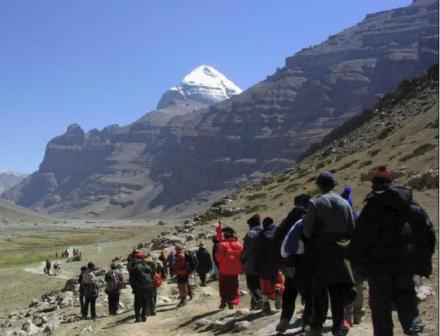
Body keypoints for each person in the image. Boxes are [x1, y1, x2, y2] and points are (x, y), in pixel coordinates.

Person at [349, 166, 431, 336]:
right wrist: (421, 260)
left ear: (374, 185)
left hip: (378, 268)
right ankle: (412, 325)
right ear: (391, 182)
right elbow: (427, 232)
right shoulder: (410, 204)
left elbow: (360, 239)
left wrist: (358, 264)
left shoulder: (372, 207)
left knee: (380, 306)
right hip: (405, 264)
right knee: (406, 297)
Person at [303, 171, 356, 336]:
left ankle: (316, 326)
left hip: (321, 252)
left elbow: (307, 231)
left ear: (319, 185)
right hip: (341, 252)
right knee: (338, 290)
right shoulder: (345, 203)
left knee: (319, 291)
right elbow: (352, 229)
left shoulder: (315, 203)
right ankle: (339, 327)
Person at [273, 194, 312, 332]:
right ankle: (307, 322)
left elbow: (277, 237)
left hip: (289, 264)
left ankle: (284, 320)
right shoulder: (308, 217)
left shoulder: (288, 219)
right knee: (309, 294)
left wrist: (281, 262)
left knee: (290, 291)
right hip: (306, 263)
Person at [340, 186, 366, 326]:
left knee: (346, 286)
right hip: (358, 258)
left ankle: (347, 316)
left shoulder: (338, 221)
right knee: (359, 286)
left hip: (344, 259)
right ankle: (358, 315)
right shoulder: (357, 218)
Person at [254, 217, 284, 314]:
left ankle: (267, 307)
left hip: (264, 265)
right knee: (279, 281)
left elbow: (258, 252)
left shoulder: (262, 235)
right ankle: (278, 289)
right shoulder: (279, 232)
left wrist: (257, 266)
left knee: (265, 287)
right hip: (278, 264)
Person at [216, 226, 243, 309]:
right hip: (235, 270)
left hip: (224, 269)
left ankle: (224, 302)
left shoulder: (222, 245)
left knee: (224, 287)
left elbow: (218, 258)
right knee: (233, 286)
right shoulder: (239, 244)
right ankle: (232, 302)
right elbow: (242, 256)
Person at [241, 214, 264, 310]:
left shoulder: (250, 234)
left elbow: (247, 250)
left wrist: (241, 258)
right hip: (264, 263)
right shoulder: (265, 231)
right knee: (260, 284)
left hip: (252, 263)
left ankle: (259, 300)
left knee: (252, 284)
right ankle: (256, 304)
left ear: (251, 224)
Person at [129, 252, 153, 322]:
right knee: (145, 301)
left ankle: (137, 317)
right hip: (147, 286)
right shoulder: (147, 266)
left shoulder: (135, 266)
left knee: (137, 303)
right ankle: (144, 315)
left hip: (138, 287)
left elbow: (131, 279)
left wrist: (133, 287)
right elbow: (151, 275)